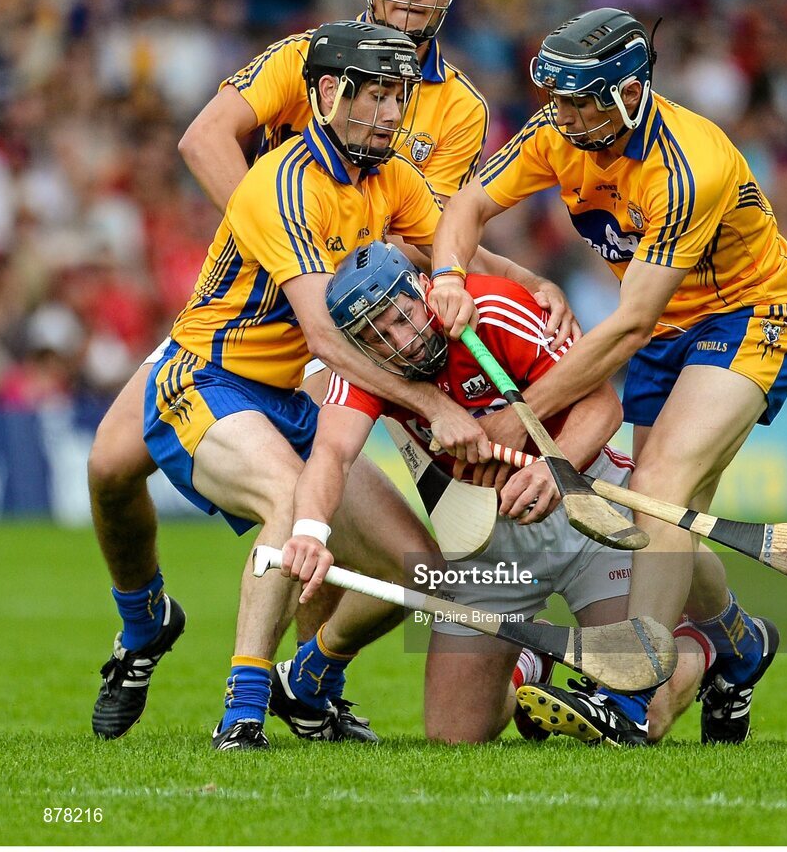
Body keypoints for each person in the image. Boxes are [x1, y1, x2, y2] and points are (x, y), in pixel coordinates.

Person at [89, 0, 575, 741]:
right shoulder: (307, 58)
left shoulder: (454, 109)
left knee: (349, 529)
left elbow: (434, 238)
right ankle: (144, 627)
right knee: (108, 472)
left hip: (350, 337)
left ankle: (306, 682)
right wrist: (287, 244)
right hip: (249, 326)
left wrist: (530, 283)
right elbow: (207, 140)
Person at [428, 7, 787, 744]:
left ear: (628, 93)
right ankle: (734, 643)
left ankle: (629, 695)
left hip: (746, 314)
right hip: (668, 330)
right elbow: (468, 205)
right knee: (663, 511)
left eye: (579, 101)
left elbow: (630, 323)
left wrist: (523, 414)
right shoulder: (556, 134)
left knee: (658, 487)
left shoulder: (685, 163)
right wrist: (448, 273)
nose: (560, 116)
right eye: (556, 99)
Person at [274, 241, 705, 745]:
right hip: (488, 538)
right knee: (454, 736)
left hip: (588, 508)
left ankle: (707, 643)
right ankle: (529, 665)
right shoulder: (368, 369)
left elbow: (603, 405)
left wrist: (553, 469)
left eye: (402, 315)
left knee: (640, 708)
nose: (402, 339)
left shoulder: (492, 308)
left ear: (422, 289)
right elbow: (331, 453)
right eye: (379, 334)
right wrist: (309, 530)